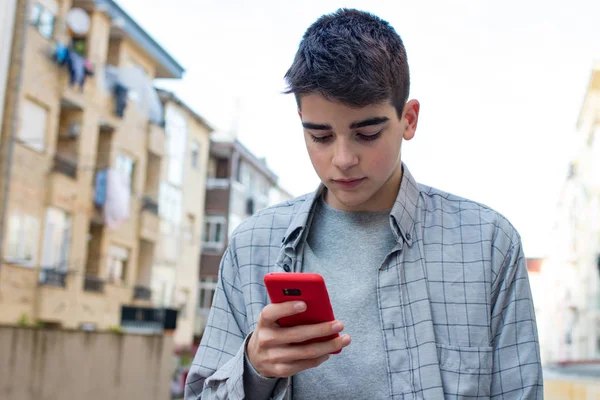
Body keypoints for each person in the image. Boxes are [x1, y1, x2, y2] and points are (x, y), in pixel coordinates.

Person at [185, 8, 543, 400]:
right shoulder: (252, 246)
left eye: (367, 133)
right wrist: (254, 367)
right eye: (320, 136)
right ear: (301, 120)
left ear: (408, 119)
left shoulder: (488, 244)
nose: (342, 159)